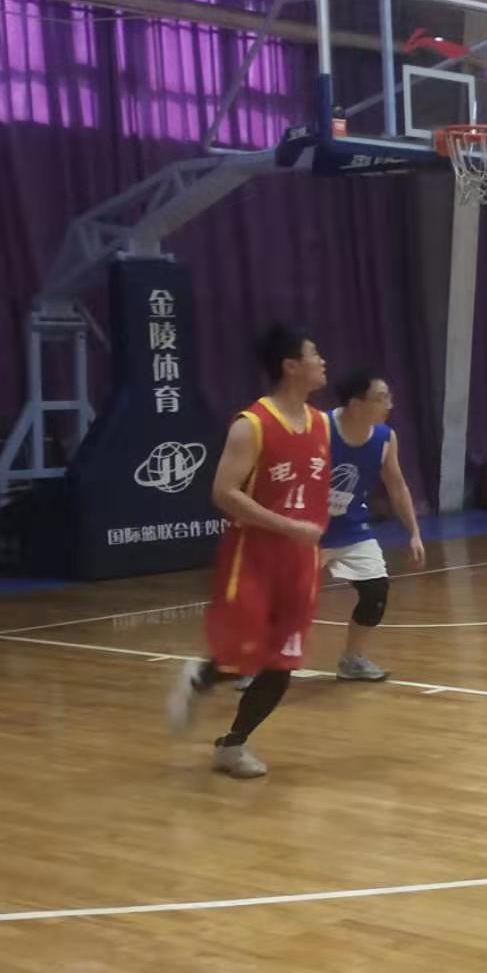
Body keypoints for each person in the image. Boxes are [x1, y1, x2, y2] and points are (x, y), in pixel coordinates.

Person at [165, 323, 332, 779]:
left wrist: (318, 540)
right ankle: (200, 677)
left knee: (283, 664)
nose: (323, 362)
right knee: (247, 653)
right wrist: (287, 526)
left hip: (300, 561)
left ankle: (232, 745)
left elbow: (314, 494)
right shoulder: (252, 424)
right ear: (290, 366)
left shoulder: (321, 424)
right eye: (314, 354)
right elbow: (224, 493)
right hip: (254, 556)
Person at [320, 370, 426, 682]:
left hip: (351, 527)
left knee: (376, 591)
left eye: (389, 397)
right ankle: (254, 665)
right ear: (355, 404)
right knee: (287, 600)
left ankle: (352, 659)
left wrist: (414, 532)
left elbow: (397, 485)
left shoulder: (384, 438)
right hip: (307, 530)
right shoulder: (320, 429)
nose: (389, 405)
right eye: (381, 398)